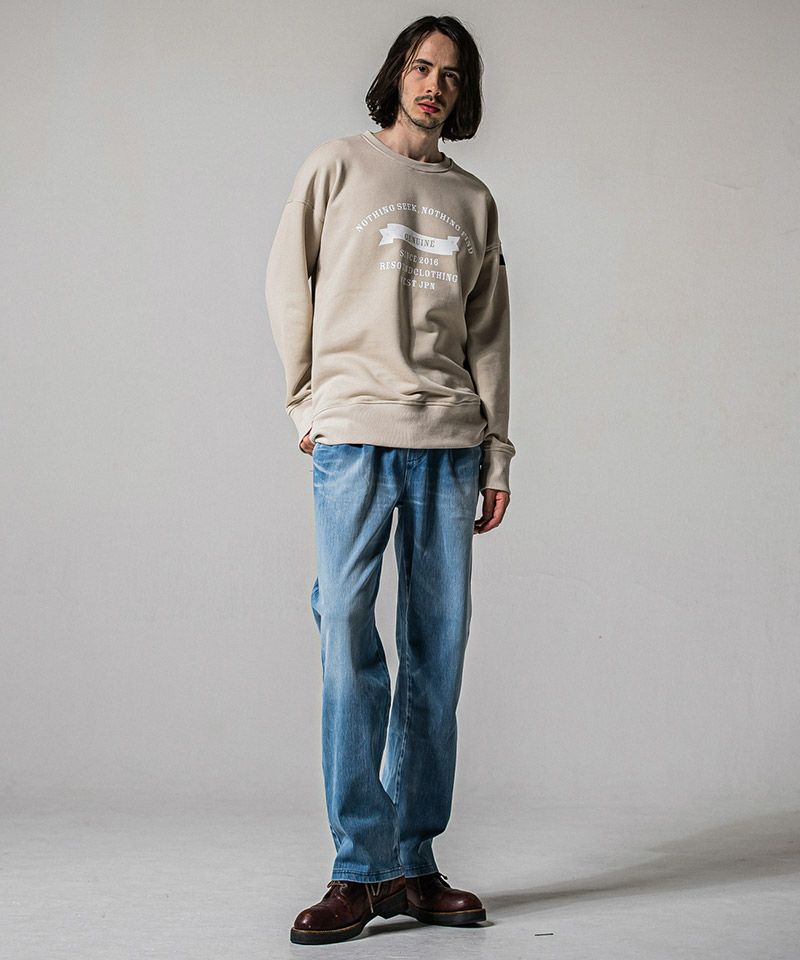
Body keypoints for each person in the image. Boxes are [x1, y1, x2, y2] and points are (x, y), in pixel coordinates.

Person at [265, 14, 515, 946]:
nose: (433, 85)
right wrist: (305, 404)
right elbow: (287, 281)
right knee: (345, 635)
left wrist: (497, 450)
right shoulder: (336, 167)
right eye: (421, 66)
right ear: (396, 74)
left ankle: (413, 863)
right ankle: (357, 868)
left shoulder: (474, 200)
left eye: (451, 74)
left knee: (436, 651)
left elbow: (488, 334)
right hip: (355, 434)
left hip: (449, 439)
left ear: (464, 92)